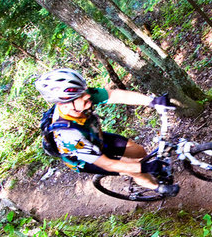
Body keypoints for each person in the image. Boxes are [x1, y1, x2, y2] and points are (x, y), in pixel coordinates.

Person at [36, 68, 180, 196]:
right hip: (84, 158)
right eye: (83, 99)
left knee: (139, 152)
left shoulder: (81, 96)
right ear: (65, 105)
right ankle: (157, 188)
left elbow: (116, 96)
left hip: (95, 137)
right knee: (134, 168)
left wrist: (152, 101)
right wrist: (143, 167)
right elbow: (108, 164)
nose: (88, 98)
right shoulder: (68, 134)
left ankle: (147, 171)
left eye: (85, 93)